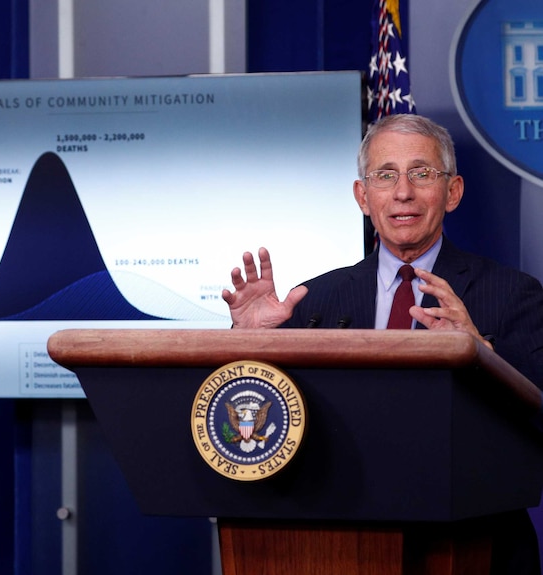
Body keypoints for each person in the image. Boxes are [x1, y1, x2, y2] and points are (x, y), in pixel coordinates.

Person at [223, 113, 543, 574]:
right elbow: (266, 421)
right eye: (385, 175)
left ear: (452, 192)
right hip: (335, 543)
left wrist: (481, 355)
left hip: (472, 544)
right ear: (362, 196)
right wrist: (249, 345)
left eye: (421, 174)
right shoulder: (315, 299)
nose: (403, 192)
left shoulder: (512, 293)